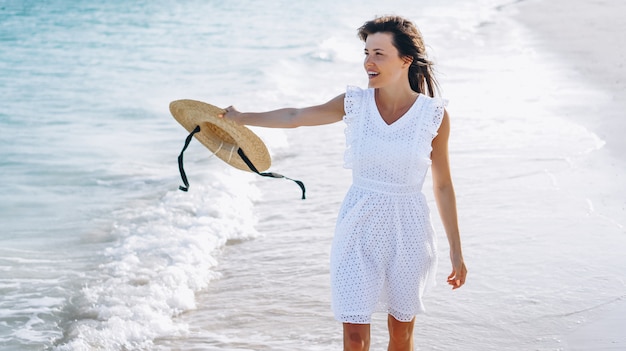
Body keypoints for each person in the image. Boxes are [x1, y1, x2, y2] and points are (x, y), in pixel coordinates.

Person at [221, 15, 467, 351]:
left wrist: (456, 250)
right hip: (358, 226)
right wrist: (242, 118)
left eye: (379, 53)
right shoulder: (355, 103)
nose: (368, 62)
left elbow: (442, 186)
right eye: (366, 53)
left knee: (400, 333)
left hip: (409, 230)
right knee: (353, 335)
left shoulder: (433, 115)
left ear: (405, 59)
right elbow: (295, 117)